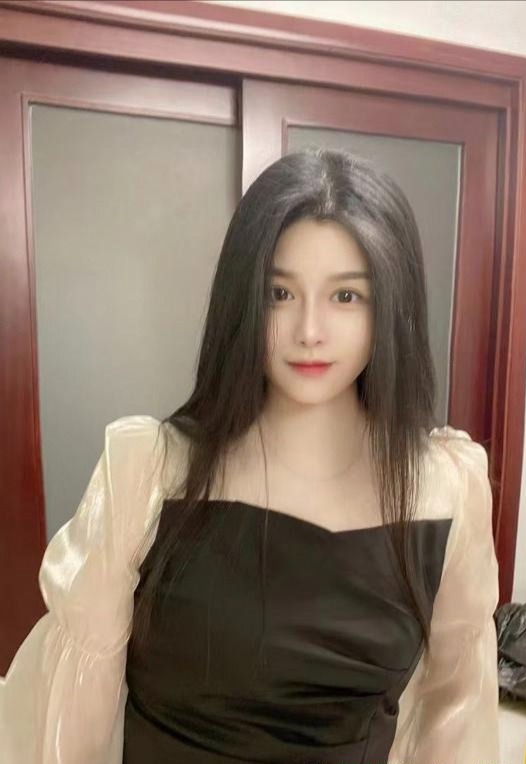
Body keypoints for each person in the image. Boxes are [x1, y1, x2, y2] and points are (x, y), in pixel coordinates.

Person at [0, 148, 500, 763]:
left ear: (390, 307)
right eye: (279, 293)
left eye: (346, 296)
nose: (309, 330)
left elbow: (455, 721)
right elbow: (66, 730)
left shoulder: (446, 490)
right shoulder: (148, 472)